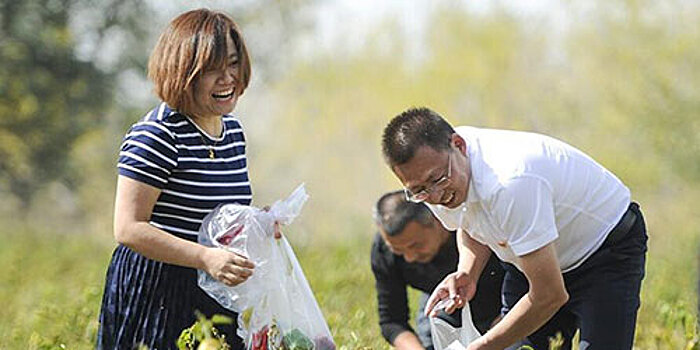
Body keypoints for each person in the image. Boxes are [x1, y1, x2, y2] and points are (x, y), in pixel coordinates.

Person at [381, 107, 648, 350]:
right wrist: (467, 272)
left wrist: (483, 346)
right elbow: (471, 221)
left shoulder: (510, 181)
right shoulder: (435, 177)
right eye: (419, 190)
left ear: (458, 145)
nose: (436, 195)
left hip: (604, 252)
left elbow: (549, 295)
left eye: (437, 180)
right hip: (530, 262)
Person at [97, 9, 266, 349]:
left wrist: (259, 223)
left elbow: (217, 213)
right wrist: (204, 257)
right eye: (211, 70)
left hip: (214, 285)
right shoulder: (158, 134)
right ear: (182, 72)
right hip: (158, 290)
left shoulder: (231, 130)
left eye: (233, 64)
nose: (227, 78)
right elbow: (128, 228)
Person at [371, 190, 504, 350]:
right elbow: (392, 321)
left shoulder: (473, 231)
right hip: (445, 305)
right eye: (398, 250)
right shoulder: (385, 250)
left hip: (503, 301)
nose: (410, 257)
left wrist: (499, 334)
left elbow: (524, 285)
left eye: (416, 245)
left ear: (438, 220)